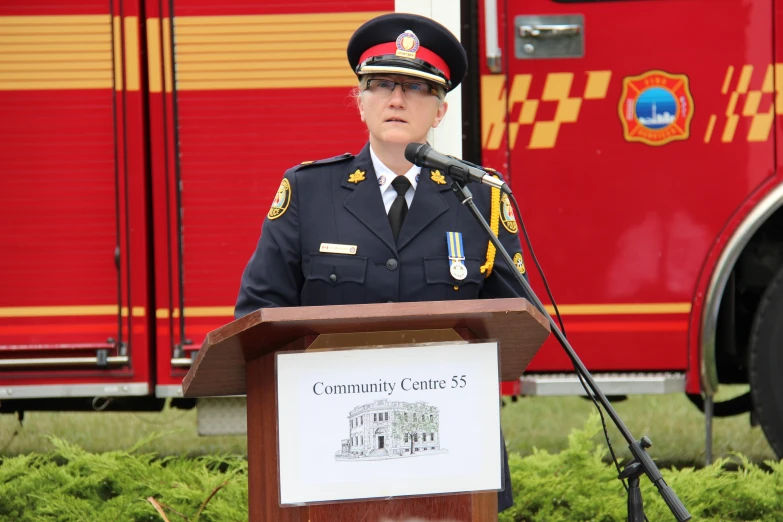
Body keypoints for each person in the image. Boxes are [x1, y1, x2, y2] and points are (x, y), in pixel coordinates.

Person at [234, 12, 530, 513]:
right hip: (329, 445)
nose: (397, 99)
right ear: (361, 102)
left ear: (439, 111)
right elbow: (257, 312)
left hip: (451, 444)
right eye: (382, 85)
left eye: (417, 88)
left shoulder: (479, 198)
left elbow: (515, 323)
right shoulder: (309, 192)